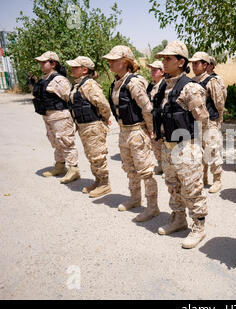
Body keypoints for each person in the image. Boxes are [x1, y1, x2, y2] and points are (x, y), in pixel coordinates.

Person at [152, 41, 210, 249]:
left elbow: (202, 119)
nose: (163, 62)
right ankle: (178, 218)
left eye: (168, 59)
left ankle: (198, 226)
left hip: (186, 146)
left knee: (192, 189)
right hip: (167, 146)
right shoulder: (162, 87)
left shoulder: (191, 88)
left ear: (181, 62)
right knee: (173, 185)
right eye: (163, 58)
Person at [103, 45, 159, 223]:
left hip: (137, 131)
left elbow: (147, 108)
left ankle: (152, 207)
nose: (110, 63)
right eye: (109, 60)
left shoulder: (134, 83)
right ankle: (135, 198)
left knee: (145, 171)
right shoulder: (116, 82)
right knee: (130, 169)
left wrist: (151, 130)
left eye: (114, 60)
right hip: (124, 131)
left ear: (125, 62)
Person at [66, 56, 112, 197]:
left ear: (85, 70)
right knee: (91, 156)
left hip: (93, 126)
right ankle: (98, 181)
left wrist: (104, 119)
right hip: (84, 126)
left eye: (76, 67)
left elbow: (103, 104)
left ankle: (105, 184)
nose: (72, 69)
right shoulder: (78, 84)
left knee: (97, 156)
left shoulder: (89, 85)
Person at [32, 51, 80, 184]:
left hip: (60, 116)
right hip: (48, 116)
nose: (41, 65)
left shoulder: (59, 80)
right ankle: (60, 166)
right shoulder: (44, 79)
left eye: (44, 62)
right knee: (55, 141)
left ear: (53, 64)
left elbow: (70, 99)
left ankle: (73, 169)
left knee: (66, 142)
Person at [190, 52, 227, 193]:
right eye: (192, 63)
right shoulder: (192, 81)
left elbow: (219, 102)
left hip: (210, 122)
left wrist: (218, 121)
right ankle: (202, 178)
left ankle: (217, 180)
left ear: (205, 65)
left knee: (213, 152)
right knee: (199, 153)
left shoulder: (212, 81)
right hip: (197, 124)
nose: (194, 66)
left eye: (197, 63)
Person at [146, 60, 165, 175]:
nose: (152, 72)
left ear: (162, 72)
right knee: (155, 143)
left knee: (165, 145)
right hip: (152, 120)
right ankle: (161, 165)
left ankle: (168, 169)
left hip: (162, 120)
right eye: (151, 70)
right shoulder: (151, 85)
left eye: (155, 70)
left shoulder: (165, 85)